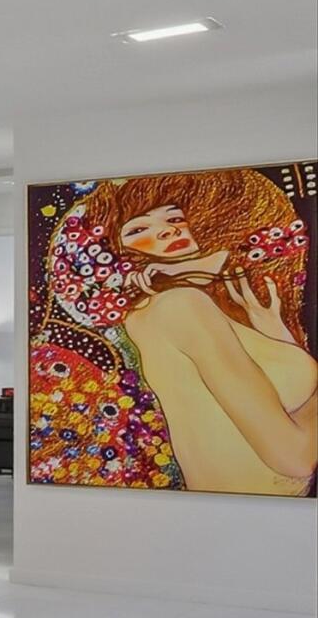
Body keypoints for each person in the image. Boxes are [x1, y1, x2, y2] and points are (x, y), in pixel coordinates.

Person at [43, 170, 315, 495]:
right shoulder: (180, 306)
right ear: (116, 256)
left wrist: (278, 338)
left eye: (175, 217)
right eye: (139, 229)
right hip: (248, 512)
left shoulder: (184, 307)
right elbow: (293, 457)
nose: (168, 230)